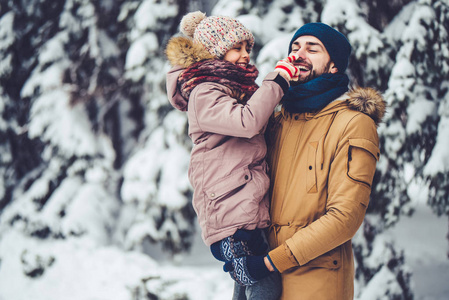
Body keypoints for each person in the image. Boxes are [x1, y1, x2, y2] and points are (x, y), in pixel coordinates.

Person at [165, 11, 300, 300]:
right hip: (227, 212)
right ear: (213, 51)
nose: (245, 55)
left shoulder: (229, 90)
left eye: (247, 48)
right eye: (236, 47)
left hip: (243, 209)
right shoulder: (204, 92)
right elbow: (247, 122)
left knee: (249, 281)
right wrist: (277, 81)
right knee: (265, 282)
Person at [262, 23, 387, 299]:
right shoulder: (276, 121)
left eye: (312, 48)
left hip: (317, 279)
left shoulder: (353, 123)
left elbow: (345, 217)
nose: (299, 53)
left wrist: (277, 259)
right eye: (295, 47)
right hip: (265, 281)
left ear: (334, 66)